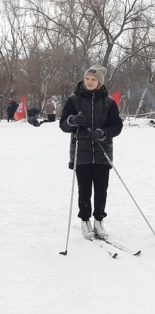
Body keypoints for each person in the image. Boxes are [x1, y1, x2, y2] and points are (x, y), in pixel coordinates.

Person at [59, 65, 124, 239]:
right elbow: (63, 125)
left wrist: (103, 133)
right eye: (87, 78)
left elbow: (117, 126)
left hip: (102, 151)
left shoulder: (109, 102)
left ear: (100, 82)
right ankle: (85, 220)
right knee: (84, 189)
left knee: (101, 189)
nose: (89, 82)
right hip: (81, 150)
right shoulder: (74, 100)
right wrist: (72, 120)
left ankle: (99, 220)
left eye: (93, 79)